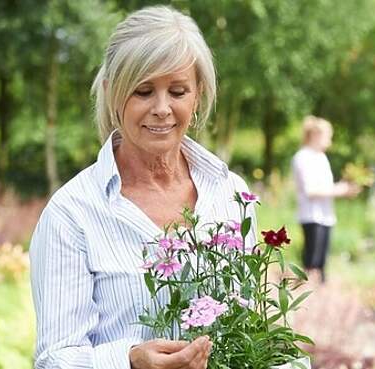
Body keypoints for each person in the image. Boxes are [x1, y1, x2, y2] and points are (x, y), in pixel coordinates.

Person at [29, 6, 255, 369]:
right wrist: (129, 361)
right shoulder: (72, 212)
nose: (162, 109)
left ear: (197, 95)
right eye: (144, 91)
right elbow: (55, 359)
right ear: (112, 93)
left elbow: (254, 327)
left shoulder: (230, 194)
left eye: (178, 91)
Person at [291, 116, 360, 283]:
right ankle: (308, 296)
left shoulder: (321, 157)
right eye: (328, 135)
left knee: (321, 265)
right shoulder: (303, 157)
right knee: (311, 263)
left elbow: (326, 187)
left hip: (325, 215)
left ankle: (319, 296)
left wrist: (344, 189)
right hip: (311, 216)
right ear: (315, 135)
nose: (330, 140)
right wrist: (340, 190)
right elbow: (311, 190)